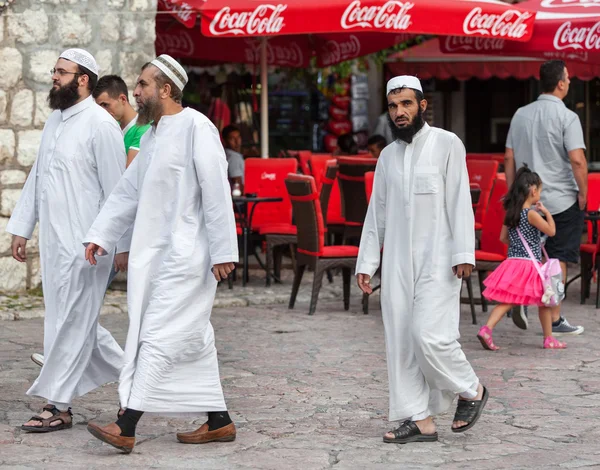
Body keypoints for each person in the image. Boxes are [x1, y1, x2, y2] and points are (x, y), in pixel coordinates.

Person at [83, 54, 239, 454]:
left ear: (166, 89)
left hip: (190, 256)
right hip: (155, 256)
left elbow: (217, 190)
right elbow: (126, 193)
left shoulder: (197, 127)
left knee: (156, 333)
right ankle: (218, 420)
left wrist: (223, 248)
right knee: (193, 337)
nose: (135, 92)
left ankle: (127, 422)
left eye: (142, 85)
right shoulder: (150, 136)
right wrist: (102, 234)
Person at [356, 76, 487, 444]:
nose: (399, 112)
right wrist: (367, 262)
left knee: (429, 336)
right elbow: (376, 211)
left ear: (422, 105)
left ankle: (471, 389)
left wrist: (464, 252)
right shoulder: (387, 157)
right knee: (400, 340)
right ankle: (419, 419)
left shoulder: (447, 144)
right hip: (397, 261)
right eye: (394, 106)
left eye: (406, 105)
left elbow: (460, 200)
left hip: (439, 260)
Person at [7, 49, 128, 432]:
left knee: (73, 321)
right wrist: (22, 227)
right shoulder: (55, 122)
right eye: (54, 70)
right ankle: (136, 381)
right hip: (56, 244)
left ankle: (57, 406)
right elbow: (38, 178)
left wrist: (117, 243)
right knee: (70, 322)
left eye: (62, 72)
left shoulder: (101, 124)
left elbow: (117, 191)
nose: (54, 77)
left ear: (83, 79)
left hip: (90, 246)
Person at [31, 75, 150, 370]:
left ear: (122, 99)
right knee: (79, 307)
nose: (104, 110)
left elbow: (123, 183)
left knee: (79, 307)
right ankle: (72, 357)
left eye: (107, 104)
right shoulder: (116, 129)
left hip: (124, 230)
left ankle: (116, 367)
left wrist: (123, 244)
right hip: (105, 231)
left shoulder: (139, 133)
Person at [505, 59, 586, 336]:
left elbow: (509, 157)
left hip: (526, 202)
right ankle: (554, 318)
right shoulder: (568, 117)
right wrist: (584, 194)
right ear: (561, 83)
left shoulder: (519, 114)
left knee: (527, 255)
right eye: (568, 78)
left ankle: (524, 300)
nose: (570, 82)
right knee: (558, 259)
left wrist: (513, 196)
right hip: (561, 200)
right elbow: (577, 160)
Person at [477, 167, 566, 350]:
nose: (540, 194)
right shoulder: (531, 214)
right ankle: (548, 339)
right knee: (541, 301)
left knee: (513, 300)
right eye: (540, 190)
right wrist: (547, 213)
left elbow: (503, 238)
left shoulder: (512, 214)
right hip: (529, 264)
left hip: (512, 262)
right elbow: (552, 231)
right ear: (533, 191)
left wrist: (518, 241)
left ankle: (488, 329)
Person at [93, 74, 151, 168]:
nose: (102, 112)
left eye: (105, 105)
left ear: (123, 99)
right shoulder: (109, 126)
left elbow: (129, 173)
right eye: (99, 107)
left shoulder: (144, 128)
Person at [222, 124, 245, 192]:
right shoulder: (234, 157)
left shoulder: (224, 154)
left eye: (238, 137)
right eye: (232, 138)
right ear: (225, 141)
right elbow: (237, 182)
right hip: (238, 200)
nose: (237, 142)